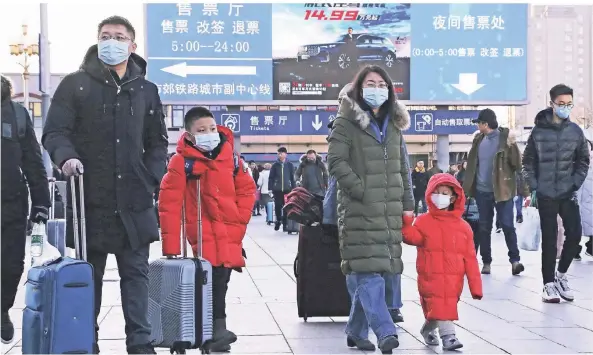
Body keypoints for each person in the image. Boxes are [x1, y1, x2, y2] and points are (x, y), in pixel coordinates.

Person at [41, 16, 168, 354]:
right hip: (89, 203)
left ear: (133, 45)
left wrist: (150, 178)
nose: (112, 42)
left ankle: (141, 345)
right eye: (105, 36)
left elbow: (157, 143)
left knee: (137, 280)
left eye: (119, 37)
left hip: (134, 203)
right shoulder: (75, 85)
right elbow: (54, 132)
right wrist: (66, 157)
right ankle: (87, 342)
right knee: (88, 281)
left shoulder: (146, 90)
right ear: (97, 41)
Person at [327, 65, 415, 353]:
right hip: (359, 209)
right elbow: (336, 162)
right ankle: (385, 329)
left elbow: (403, 167)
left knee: (379, 267)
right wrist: (360, 189)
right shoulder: (345, 122)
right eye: (370, 83)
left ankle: (355, 330)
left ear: (389, 90)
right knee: (368, 271)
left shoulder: (393, 124)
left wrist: (408, 204)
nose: (376, 88)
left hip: (388, 211)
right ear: (359, 88)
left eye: (381, 83)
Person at [158, 107, 255, 352]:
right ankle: (212, 330)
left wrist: (239, 219)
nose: (209, 134)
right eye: (201, 130)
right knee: (208, 282)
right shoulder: (182, 161)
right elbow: (169, 203)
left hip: (229, 232)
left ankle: (214, 331)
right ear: (189, 136)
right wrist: (170, 247)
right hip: (200, 234)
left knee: (221, 280)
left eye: (212, 128)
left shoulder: (230, 156)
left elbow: (246, 189)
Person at [522, 84, 590, 303]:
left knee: (575, 234)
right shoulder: (538, 131)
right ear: (551, 104)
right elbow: (527, 161)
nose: (565, 108)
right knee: (550, 239)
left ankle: (561, 276)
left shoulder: (576, 131)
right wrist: (534, 185)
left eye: (569, 104)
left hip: (568, 192)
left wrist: (575, 183)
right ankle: (548, 284)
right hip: (546, 194)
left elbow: (583, 161)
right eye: (561, 104)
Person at [402, 173, 483, 351]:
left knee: (441, 308)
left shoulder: (463, 228)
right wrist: (407, 223)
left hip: (454, 280)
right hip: (430, 276)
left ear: (453, 197)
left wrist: (476, 286)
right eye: (436, 192)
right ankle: (449, 337)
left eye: (445, 193)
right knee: (440, 305)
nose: (440, 196)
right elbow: (412, 238)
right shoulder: (423, 221)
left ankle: (427, 330)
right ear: (429, 194)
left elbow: (470, 259)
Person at [1, 75, 51, 344]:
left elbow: (33, 160)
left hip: (10, 205)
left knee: (11, 266)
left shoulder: (17, 114)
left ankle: (1, 308)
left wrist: (41, 203)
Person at [463, 108, 524, 276]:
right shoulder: (478, 140)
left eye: (479, 123)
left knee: (507, 226)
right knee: (484, 227)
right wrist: (466, 189)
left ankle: (515, 261)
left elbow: (518, 166)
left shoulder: (507, 141)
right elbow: (472, 166)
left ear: (485, 124)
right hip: (482, 192)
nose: (478, 126)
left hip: (503, 191)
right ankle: (486, 262)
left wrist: (524, 190)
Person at [268, 147, 296, 231]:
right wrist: (270, 188)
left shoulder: (290, 165)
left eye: (281, 153)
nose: (279, 155)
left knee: (286, 207)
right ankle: (278, 220)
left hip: (287, 189)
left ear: (285, 154)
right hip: (277, 190)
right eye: (278, 153)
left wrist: (294, 188)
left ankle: (285, 224)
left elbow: (292, 178)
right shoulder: (275, 165)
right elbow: (271, 178)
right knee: (277, 206)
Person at [576, 137, 593, 260]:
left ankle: (591, 248)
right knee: (574, 228)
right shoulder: (574, 162)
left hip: (589, 199)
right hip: (577, 200)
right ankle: (574, 251)